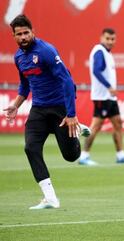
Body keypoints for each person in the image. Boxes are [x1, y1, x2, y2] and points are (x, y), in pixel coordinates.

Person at [3, 14, 91, 210]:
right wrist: (16, 105)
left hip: (60, 108)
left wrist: (71, 114)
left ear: (33, 32)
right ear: (14, 36)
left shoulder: (46, 51)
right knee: (30, 148)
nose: (23, 37)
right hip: (39, 109)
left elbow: (67, 81)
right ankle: (50, 198)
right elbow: (25, 83)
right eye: (19, 34)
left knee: (71, 156)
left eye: (26, 32)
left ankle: (76, 128)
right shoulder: (19, 57)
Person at [78, 28, 124, 166]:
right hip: (102, 97)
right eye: (107, 38)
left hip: (109, 98)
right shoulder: (99, 51)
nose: (110, 41)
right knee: (96, 126)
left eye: (113, 39)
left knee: (117, 123)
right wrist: (109, 87)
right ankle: (83, 156)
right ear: (101, 38)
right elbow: (96, 71)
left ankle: (121, 155)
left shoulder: (107, 53)